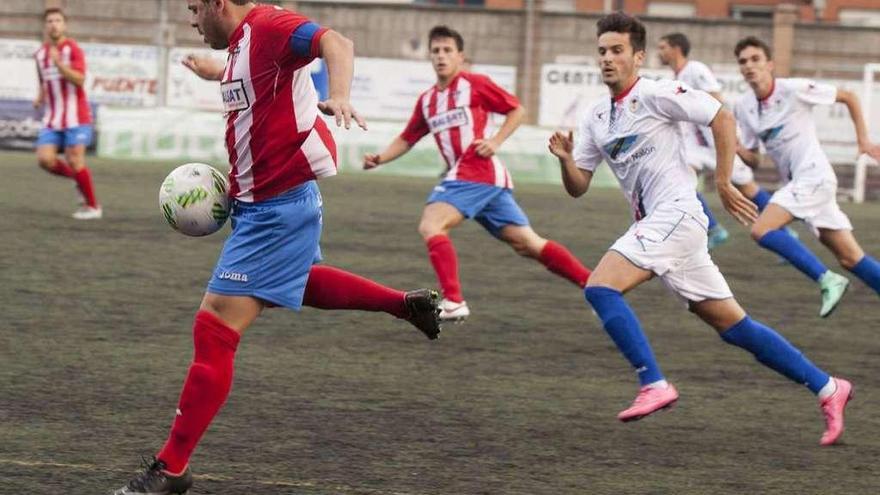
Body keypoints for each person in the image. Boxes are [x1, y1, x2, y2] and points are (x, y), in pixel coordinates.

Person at [113, 2, 441, 494]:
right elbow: (256, 78)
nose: (191, 19)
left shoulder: (267, 25)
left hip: (277, 207)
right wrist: (216, 73)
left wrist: (343, 94)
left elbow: (337, 42)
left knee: (214, 328)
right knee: (298, 282)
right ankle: (404, 304)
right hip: (261, 205)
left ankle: (171, 470)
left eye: (195, 8)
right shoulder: (244, 44)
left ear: (219, 3)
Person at [548, 12, 852, 445]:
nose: (608, 59)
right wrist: (565, 161)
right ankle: (828, 387)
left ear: (637, 56)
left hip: (677, 215)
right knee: (735, 327)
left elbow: (720, 115)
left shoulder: (655, 93)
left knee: (600, 287)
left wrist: (725, 181)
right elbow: (578, 187)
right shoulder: (598, 117)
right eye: (602, 51)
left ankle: (653, 383)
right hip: (665, 228)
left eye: (617, 51)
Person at [364, 25, 591, 322]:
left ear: (460, 56)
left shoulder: (475, 84)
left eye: (448, 51)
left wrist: (496, 141)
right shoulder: (428, 101)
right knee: (527, 243)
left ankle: (454, 301)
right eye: (436, 51)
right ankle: (595, 285)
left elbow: (517, 110)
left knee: (431, 224)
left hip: (476, 169)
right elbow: (408, 138)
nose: (441, 56)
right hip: (479, 180)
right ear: (430, 57)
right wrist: (380, 158)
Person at [734, 36, 880, 317]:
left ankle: (826, 279)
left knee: (761, 229)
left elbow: (848, 96)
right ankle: (836, 276)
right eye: (743, 62)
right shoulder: (744, 107)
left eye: (755, 59)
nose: (750, 66)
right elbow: (754, 159)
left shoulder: (793, 90)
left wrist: (863, 140)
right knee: (851, 258)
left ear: (770, 64)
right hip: (800, 185)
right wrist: (735, 146)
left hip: (814, 178)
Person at [33, 7, 101, 220]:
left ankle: (92, 207)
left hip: (76, 117)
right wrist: (40, 96)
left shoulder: (73, 50)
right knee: (45, 160)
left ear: (64, 25)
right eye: (50, 21)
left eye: (58, 20)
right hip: (52, 118)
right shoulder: (40, 54)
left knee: (74, 159)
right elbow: (43, 80)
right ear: (45, 26)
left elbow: (80, 80)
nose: (54, 24)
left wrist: (59, 64)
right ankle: (77, 180)